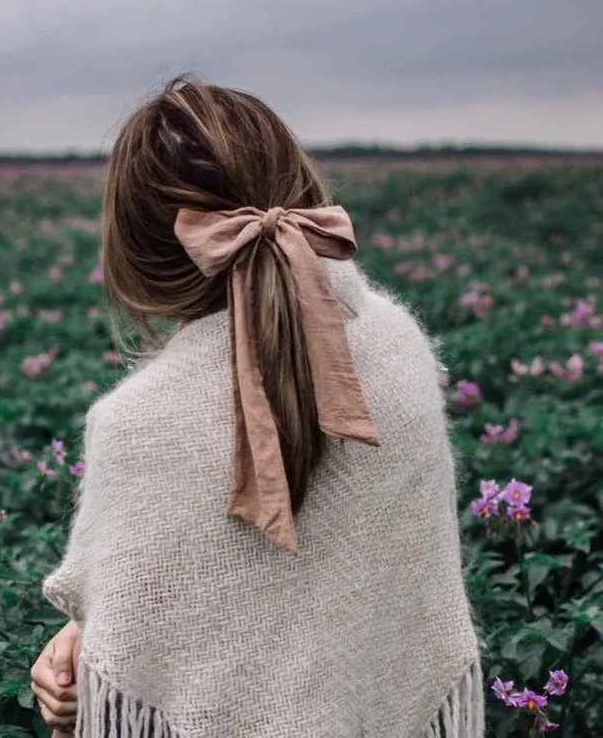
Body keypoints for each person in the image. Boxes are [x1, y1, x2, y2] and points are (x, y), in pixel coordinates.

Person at [30, 73, 484, 737]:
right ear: (303, 189)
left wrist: (95, 668)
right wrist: (90, 633)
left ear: (136, 251)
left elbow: (148, 656)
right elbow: (385, 602)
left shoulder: (138, 429)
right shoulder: (399, 350)